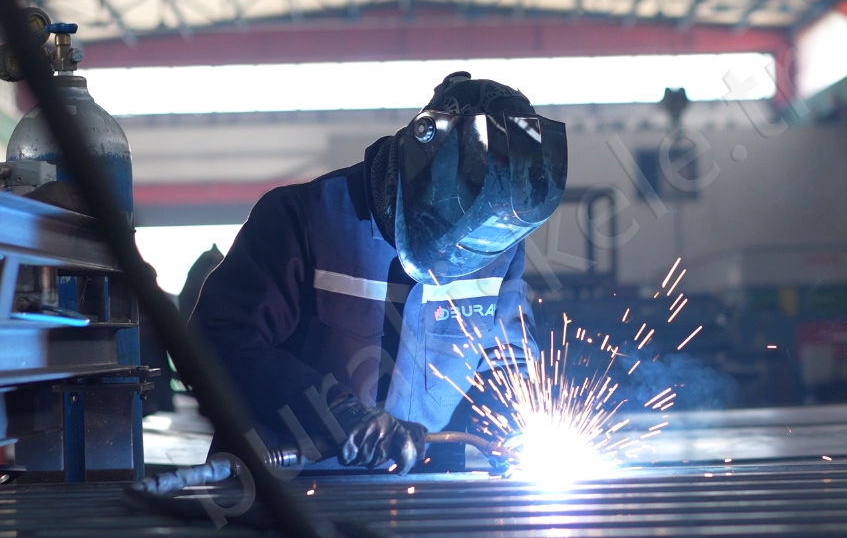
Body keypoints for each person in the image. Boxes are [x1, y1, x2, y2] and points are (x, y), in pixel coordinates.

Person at [191, 72, 567, 474]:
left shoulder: (495, 244)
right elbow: (217, 342)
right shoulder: (304, 218)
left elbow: (505, 358)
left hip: (428, 491)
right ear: (425, 161)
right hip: (286, 488)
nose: (465, 246)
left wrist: (513, 421)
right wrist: (334, 412)